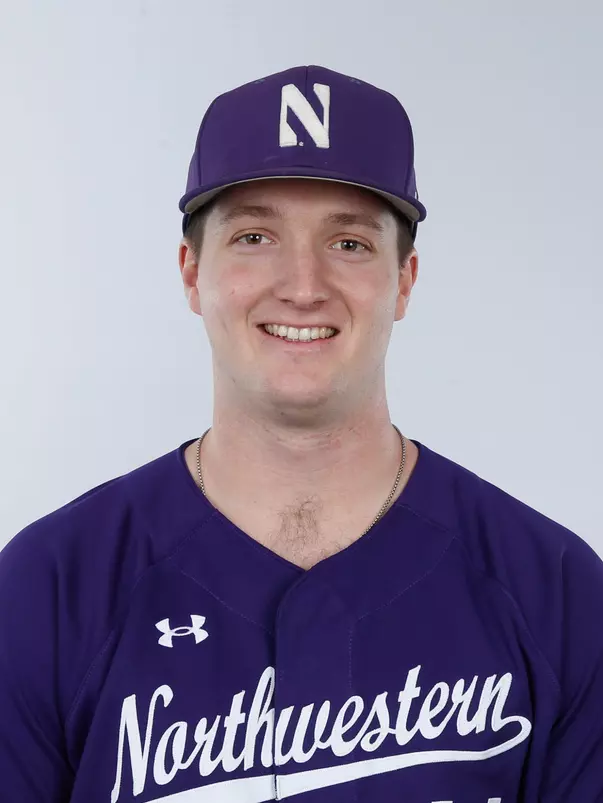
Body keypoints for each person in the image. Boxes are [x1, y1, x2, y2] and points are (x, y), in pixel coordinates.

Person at [1, 64, 602, 803]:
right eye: (255, 236)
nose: (303, 286)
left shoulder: (557, 594)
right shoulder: (48, 588)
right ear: (191, 272)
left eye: (348, 244)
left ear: (404, 279)